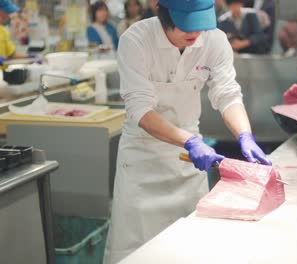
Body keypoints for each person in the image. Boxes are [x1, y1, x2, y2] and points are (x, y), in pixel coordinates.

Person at [104, 0, 271, 263]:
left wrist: (244, 135)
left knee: (188, 249)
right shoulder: (136, 40)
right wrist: (189, 141)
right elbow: (140, 109)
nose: (194, 33)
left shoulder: (214, 41)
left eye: (201, 23)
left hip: (189, 166)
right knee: (136, 250)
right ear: (164, 13)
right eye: (186, 24)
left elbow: (227, 94)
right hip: (142, 160)